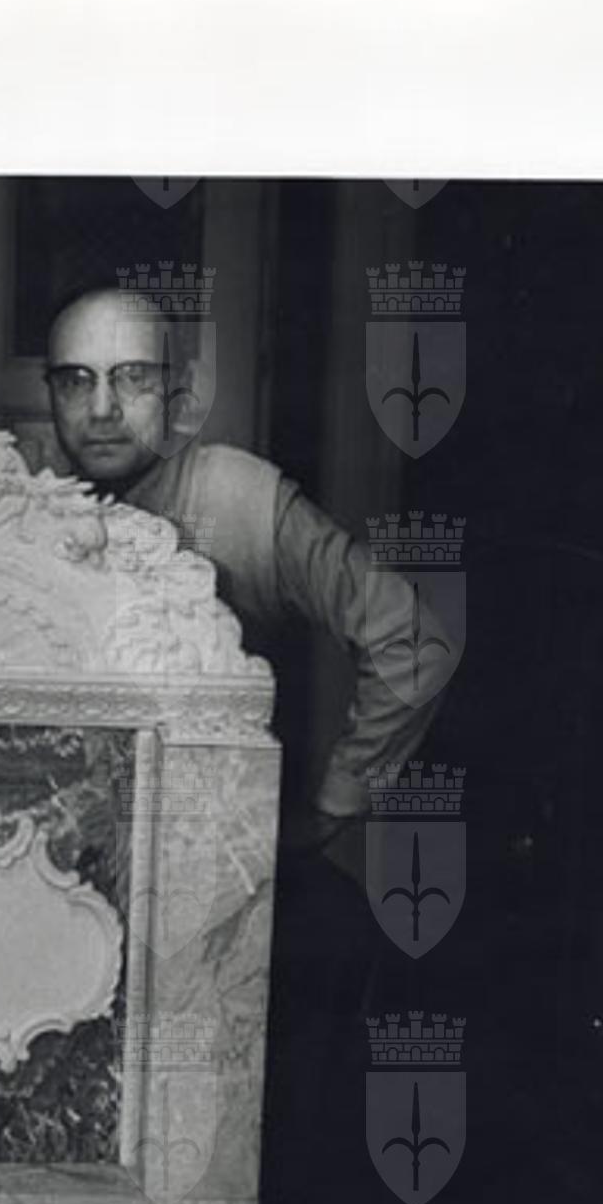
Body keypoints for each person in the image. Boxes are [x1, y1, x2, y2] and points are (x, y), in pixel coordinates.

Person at [42, 287, 451, 878]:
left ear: (178, 389)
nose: (102, 408)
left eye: (133, 378)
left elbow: (411, 643)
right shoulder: (33, 506)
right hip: (69, 872)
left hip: (217, 869)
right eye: (76, 381)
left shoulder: (237, 497)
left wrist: (336, 803)